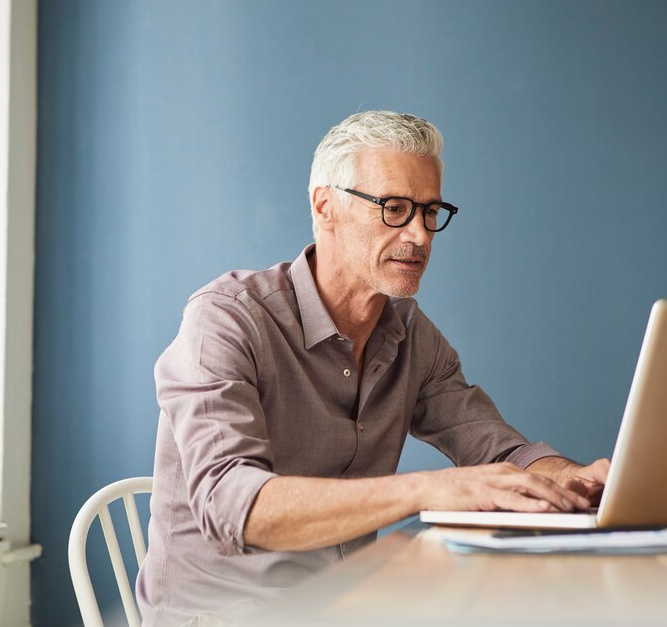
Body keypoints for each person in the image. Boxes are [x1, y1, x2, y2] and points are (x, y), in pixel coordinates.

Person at [135, 111, 609, 626]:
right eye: (395, 208)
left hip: (347, 606)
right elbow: (232, 506)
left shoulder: (410, 334)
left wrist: (572, 480)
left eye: (430, 212)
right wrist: (429, 489)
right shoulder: (227, 318)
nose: (421, 235)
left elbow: (500, 449)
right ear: (325, 207)